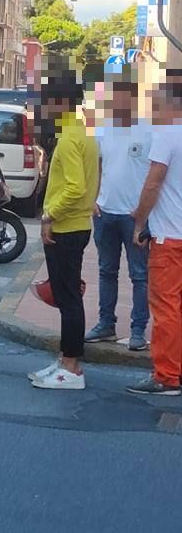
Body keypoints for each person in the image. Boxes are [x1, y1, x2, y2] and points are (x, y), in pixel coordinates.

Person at [30, 72, 99, 390]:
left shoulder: (70, 138)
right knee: (66, 295)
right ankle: (64, 360)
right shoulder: (82, 132)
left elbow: (75, 187)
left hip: (66, 228)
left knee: (68, 298)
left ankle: (71, 366)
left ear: (60, 103)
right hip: (75, 225)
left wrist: (49, 216)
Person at [85, 78, 151, 351]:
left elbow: (156, 175)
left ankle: (138, 331)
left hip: (134, 217)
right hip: (105, 213)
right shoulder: (103, 129)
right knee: (106, 271)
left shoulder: (148, 130)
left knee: (140, 275)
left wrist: (144, 213)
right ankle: (106, 325)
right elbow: (98, 165)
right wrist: (93, 199)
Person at [127, 82, 182, 396]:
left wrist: (139, 219)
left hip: (169, 239)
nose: (152, 111)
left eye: (155, 104)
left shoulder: (167, 135)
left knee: (166, 308)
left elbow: (153, 184)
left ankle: (166, 376)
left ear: (169, 104)